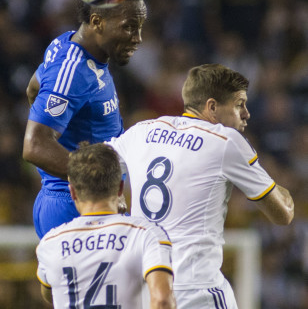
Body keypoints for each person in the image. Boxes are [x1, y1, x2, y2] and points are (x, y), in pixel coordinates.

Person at [107, 63, 294, 309]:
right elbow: (283, 214)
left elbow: (90, 168)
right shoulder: (225, 140)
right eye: (239, 105)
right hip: (196, 291)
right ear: (212, 107)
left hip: (145, 289)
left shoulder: (141, 130)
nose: (247, 113)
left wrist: (115, 205)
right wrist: (284, 191)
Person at [23, 0, 147, 239]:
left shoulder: (68, 46)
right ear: (97, 21)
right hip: (76, 205)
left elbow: (33, 89)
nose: (138, 38)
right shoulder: (73, 70)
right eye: (129, 27)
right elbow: (35, 145)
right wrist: (101, 188)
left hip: (83, 201)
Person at [36, 142, 176, 309]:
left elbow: (49, 294)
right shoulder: (146, 234)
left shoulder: (50, 243)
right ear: (120, 188)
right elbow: (162, 300)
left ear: (72, 191)